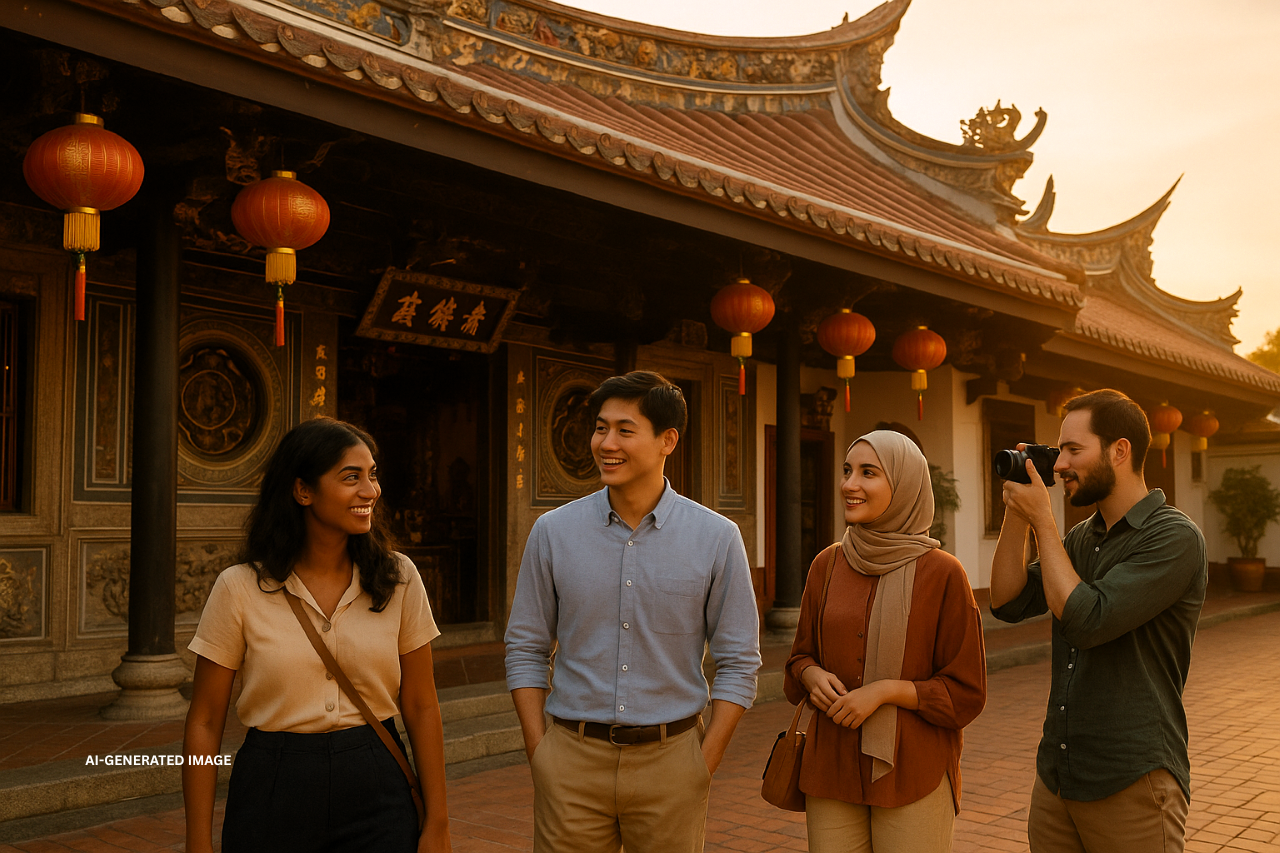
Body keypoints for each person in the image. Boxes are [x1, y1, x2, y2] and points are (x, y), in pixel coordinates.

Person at [504, 370, 761, 853]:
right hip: (571, 761)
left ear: (668, 440)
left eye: (625, 429)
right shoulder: (553, 532)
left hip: (672, 765)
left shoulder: (716, 537)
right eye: (601, 427)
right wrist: (540, 752)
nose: (607, 443)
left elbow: (740, 660)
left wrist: (702, 764)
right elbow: (525, 646)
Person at [182, 417, 452, 853]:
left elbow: (421, 705)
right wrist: (197, 841)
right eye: (351, 478)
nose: (370, 491)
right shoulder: (239, 588)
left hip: (379, 782)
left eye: (372, 475)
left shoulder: (398, 578)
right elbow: (205, 719)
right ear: (302, 490)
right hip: (273, 785)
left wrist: (437, 821)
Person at [990, 389, 1207, 853]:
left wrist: (1044, 523)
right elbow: (1006, 601)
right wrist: (1017, 513)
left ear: (1119, 451)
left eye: (1073, 449)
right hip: (1058, 776)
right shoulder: (1081, 538)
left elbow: (1087, 620)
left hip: (1131, 778)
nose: (1061, 464)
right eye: (1059, 450)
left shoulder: (1174, 537)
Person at [784, 429, 986, 853]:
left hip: (913, 769)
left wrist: (884, 692)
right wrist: (811, 673)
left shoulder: (944, 574)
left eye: (868, 473)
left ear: (905, 486)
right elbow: (798, 658)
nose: (849, 484)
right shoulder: (827, 564)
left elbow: (966, 691)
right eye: (847, 471)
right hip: (831, 765)